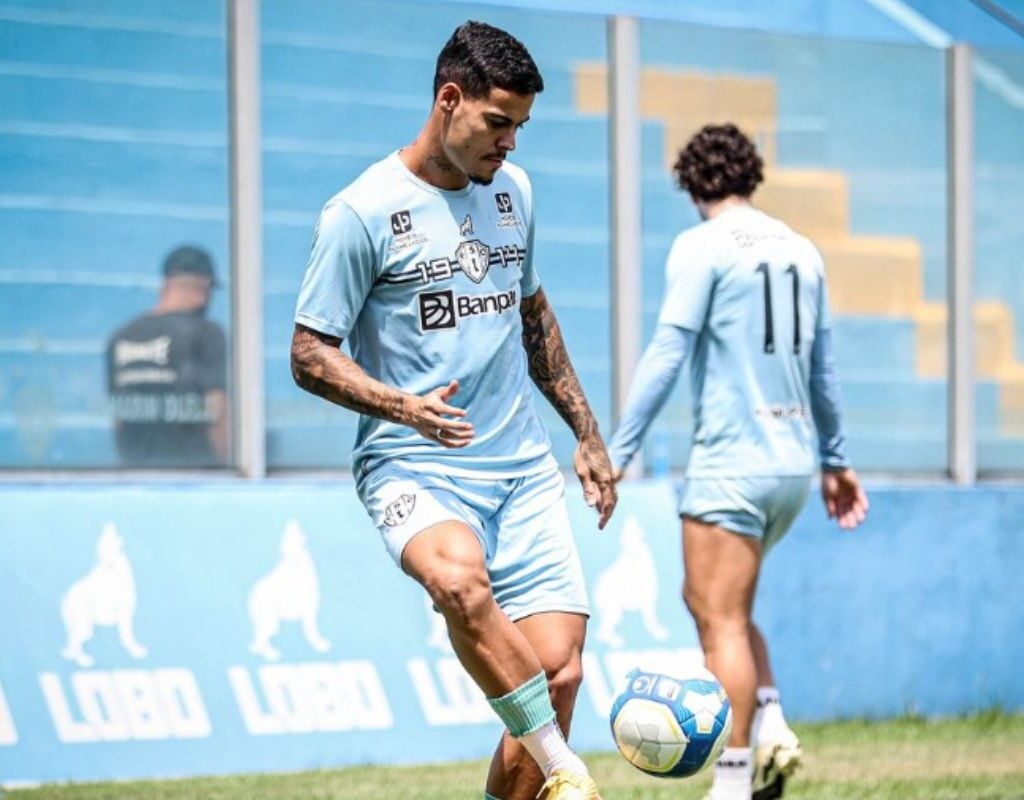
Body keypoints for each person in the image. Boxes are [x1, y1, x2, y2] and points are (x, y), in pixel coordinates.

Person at [290, 21, 616, 800]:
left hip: (521, 466)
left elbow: (530, 314)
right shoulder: (360, 213)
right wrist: (400, 405)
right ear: (449, 100)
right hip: (414, 461)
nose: (511, 147)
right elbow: (308, 353)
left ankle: (550, 761)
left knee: (558, 674)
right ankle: (569, 771)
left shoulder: (515, 193)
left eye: (521, 129)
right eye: (498, 124)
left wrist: (588, 434)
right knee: (459, 584)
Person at [607, 124, 869, 800]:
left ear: (693, 185)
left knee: (712, 612)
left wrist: (617, 452)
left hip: (732, 461)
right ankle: (773, 720)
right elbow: (825, 369)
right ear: (749, 178)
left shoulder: (702, 246)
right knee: (730, 606)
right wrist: (835, 460)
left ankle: (733, 779)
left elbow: (667, 353)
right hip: (792, 466)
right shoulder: (802, 250)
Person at [106, 245, 228, 467]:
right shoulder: (207, 334)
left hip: (137, 478)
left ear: (165, 284)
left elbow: (118, 421)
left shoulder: (120, 337)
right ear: (204, 286)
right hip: (196, 477)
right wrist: (228, 468)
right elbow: (217, 411)